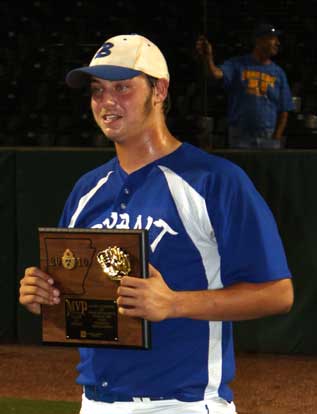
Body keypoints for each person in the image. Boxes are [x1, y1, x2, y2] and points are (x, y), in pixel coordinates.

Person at [19, 33, 294, 414]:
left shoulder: (213, 180)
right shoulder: (87, 189)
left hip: (183, 403)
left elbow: (278, 293)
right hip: (96, 402)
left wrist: (175, 303)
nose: (106, 101)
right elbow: (82, 297)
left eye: (122, 87)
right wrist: (46, 297)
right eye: (97, 89)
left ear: (159, 90)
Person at [196, 23, 295, 148]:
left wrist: (276, 137)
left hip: (268, 136)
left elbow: (284, 110)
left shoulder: (279, 73)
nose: (277, 43)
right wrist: (208, 58)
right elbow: (215, 74)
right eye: (273, 39)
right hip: (240, 135)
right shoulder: (237, 65)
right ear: (259, 41)